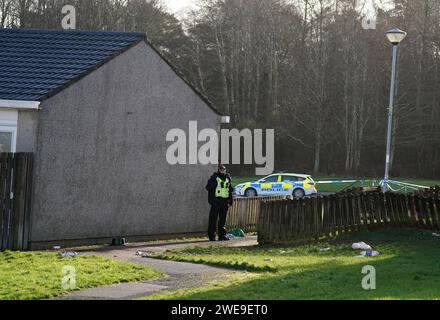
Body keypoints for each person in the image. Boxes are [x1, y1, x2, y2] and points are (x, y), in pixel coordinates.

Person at [206, 164, 234, 241]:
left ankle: (222, 236)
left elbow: (231, 189)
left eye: (224, 169)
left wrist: (230, 187)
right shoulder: (214, 177)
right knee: (213, 220)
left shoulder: (228, 178)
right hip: (216, 201)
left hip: (225, 202)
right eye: (221, 169)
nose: (223, 171)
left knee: (223, 220)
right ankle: (212, 236)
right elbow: (208, 187)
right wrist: (213, 184)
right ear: (218, 170)